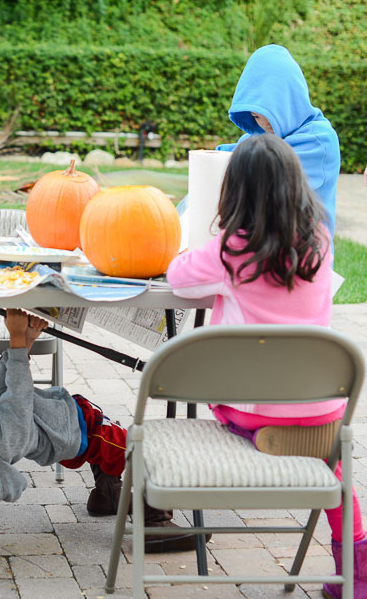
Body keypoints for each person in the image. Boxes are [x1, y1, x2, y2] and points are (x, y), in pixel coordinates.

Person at [167, 134, 363, 599]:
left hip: (252, 413)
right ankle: (357, 576)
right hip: (320, 413)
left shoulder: (232, 250)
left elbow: (177, 276)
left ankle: (256, 432)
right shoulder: (320, 241)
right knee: (336, 471)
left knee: (228, 386)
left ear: (236, 192)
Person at [0, 308, 208, 553]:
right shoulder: (4, 444)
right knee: (142, 449)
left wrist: (27, 340)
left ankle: (107, 495)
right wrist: (17, 339)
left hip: (64, 425)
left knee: (110, 447)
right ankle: (155, 524)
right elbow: (17, 397)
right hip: (81, 432)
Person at [217, 44, 340, 240]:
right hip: (259, 251)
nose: (265, 124)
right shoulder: (257, 138)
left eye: (270, 113)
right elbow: (223, 157)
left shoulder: (319, 141)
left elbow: (267, 174)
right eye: (257, 116)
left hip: (306, 259)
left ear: (289, 101)